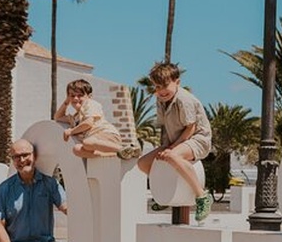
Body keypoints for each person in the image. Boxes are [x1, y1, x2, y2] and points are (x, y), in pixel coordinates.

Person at [137, 62, 213, 222]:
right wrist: (165, 146)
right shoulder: (160, 100)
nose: (161, 91)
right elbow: (165, 126)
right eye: (157, 87)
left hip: (197, 139)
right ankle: (165, 192)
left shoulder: (184, 100)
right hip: (176, 141)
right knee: (143, 163)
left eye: (165, 86)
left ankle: (202, 195)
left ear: (177, 82)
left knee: (171, 156)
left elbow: (191, 128)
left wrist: (172, 148)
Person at [55, 78, 139, 160]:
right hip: (95, 143)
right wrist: (66, 102)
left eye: (80, 95)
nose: (75, 98)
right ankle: (115, 154)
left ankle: (123, 149)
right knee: (77, 149)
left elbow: (88, 123)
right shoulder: (74, 118)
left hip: (107, 134)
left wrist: (71, 131)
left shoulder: (90, 104)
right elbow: (57, 117)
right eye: (72, 95)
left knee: (87, 142)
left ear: (89, 96)